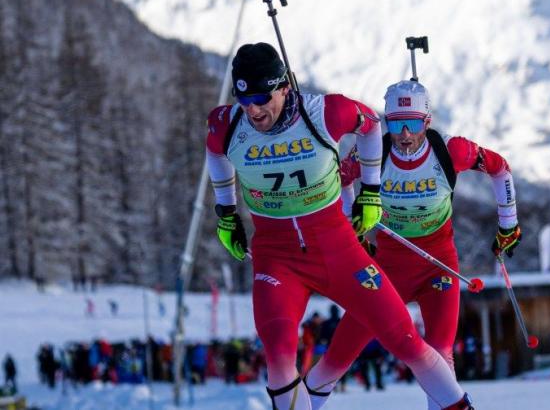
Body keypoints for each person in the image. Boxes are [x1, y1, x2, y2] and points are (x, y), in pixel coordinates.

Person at [205, 43, 474, 410]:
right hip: (276, 258)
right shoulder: (227, 123)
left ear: (284, 87)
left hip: (338, 250)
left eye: (260, 96)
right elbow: (215, 151)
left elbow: (370, 127)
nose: (252, 108)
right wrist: (226, 212)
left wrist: (371, 192)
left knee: (407, 341)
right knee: (279, 355)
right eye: (243, 97)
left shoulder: (325, 112)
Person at [305, 79, 520, 410]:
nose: (404, 133)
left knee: (439, 350)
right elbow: (341, 179)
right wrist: (354, 223)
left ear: (427, 122)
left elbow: (500, 169)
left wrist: (509, 223)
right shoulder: (370, 152)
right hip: (389, 267)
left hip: (439, 264)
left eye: (413, 123)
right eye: (396, 123)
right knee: (342, 349)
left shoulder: (452, 151)